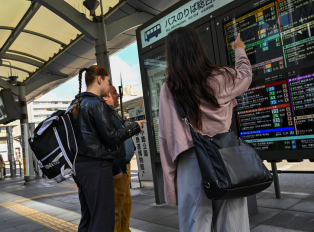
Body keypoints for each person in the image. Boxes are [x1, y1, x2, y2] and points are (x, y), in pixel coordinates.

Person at [159, 28, 252, 232]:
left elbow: (167, 138)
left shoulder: (170, 87)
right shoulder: (223, 76)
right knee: (233, 223)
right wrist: (239, 50)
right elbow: (245, 76)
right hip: (226, 156)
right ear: (199, 47)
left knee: (196, 225)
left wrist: (171, 188)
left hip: (191, 160)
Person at [68, 65, 146, 232]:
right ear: (99, 79)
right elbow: (111, 139)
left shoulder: (76, 102)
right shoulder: (96, 104)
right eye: (108, 81)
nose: (109, 86)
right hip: (97, 167)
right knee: (103, 220)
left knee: (88, 218)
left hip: (80, 167)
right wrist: (133, 128)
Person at [103, 84, 137, 232]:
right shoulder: (104, 115)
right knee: (117, 208)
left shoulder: (112, 113)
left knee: (125, 204)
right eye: (114, 93)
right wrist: (116, 167)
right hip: (117, 168)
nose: (118, 95)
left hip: (124, 165)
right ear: (105, 96)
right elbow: (109, 142)